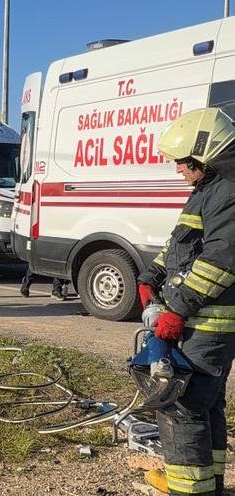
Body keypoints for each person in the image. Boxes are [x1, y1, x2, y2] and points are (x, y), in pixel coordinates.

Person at [135, 108, 235, 496]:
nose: (177, 169)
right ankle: (208, 484)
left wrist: (177, 309)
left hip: (209, 323)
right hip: (205, 321)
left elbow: (221, 260)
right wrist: (151, 276)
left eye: (181, 162)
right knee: (207, 406)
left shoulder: (227, 191)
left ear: (202, 155)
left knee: (183, 406)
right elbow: (183, 245)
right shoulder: (211, 188)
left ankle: (190, 490)